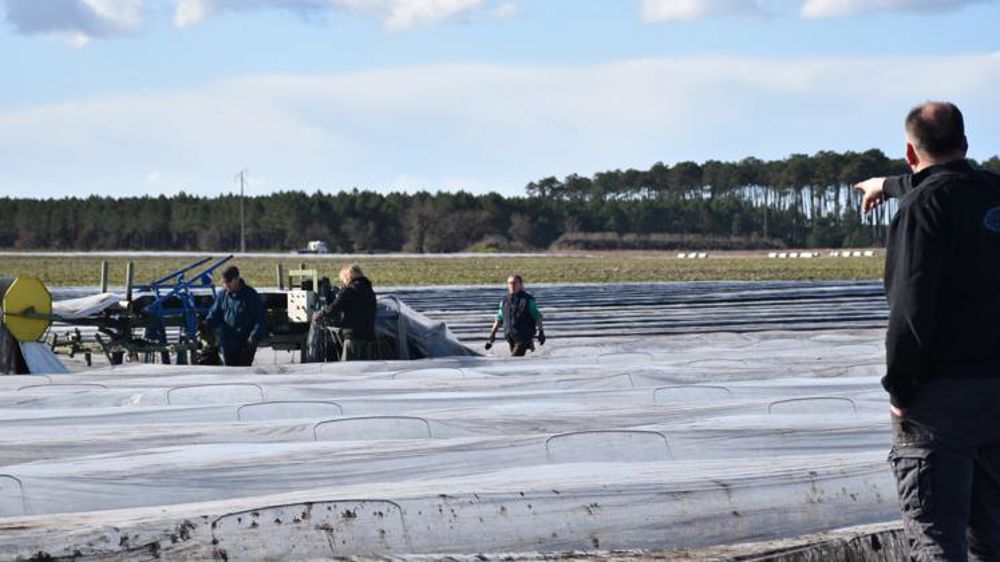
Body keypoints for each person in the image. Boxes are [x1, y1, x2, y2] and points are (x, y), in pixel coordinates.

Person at [855, 101, 1000, 561]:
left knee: (936, 537)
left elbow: (910, 311)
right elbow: (953, 183)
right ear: (966, 143)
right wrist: (888, 184)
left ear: (910, 152)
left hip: (941, 402)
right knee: (992, 537)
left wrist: (900, 389)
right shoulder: (991, 191)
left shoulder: (921, 208)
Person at [200, 265, 268, 367]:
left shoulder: (250, 295)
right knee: (229, 371)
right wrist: (206, 324)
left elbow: (261, 320)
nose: (226, 286)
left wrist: (253, 338)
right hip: (227, 343)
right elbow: (215, 314)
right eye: (224, 283)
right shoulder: (223, 295)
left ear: (236, 280)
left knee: (242, 371)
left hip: (244, 344)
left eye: (228, 283)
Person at [314, 264, 377, 361]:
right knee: (365, 370)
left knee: (348, 370)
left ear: (348, 277)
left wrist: (321, 314)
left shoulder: (348, 291)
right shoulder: (370, 291)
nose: (343, 282)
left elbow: (333, 309)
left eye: (343, 279)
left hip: (353, 336)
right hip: (369, 336)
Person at [486, 275, 545, 356]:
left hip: (524, 336)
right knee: (516, 361)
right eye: (510, 283)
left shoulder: (527, 300)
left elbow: (537, 316)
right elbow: (499, 318)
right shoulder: (504, 301)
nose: (512, 285)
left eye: (515, 283)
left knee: (514, 358)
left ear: (520, 284)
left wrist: (541, 332)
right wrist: (492, 333)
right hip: (510, 336)